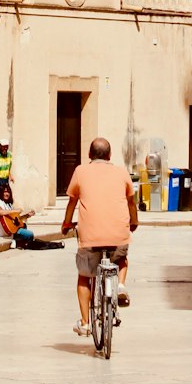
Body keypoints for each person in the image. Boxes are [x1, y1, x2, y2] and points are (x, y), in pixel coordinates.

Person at [61, 136, 138, 335]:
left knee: (84, 276)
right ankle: (120, 285)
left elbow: (72, 202)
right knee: (121, 258)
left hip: (90, 238)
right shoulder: (121, 173)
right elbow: (131, 203)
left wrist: (66, 224)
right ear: (110, 155)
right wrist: (134, 222)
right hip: (118, 235)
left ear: (89, 155)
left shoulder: (80, 171)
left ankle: (86, 323)